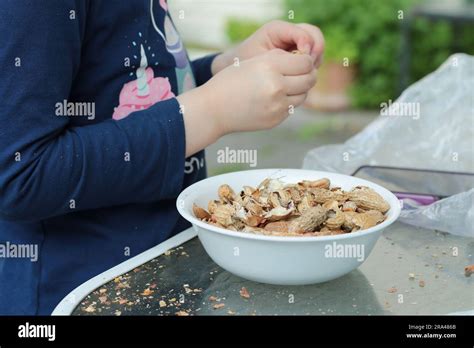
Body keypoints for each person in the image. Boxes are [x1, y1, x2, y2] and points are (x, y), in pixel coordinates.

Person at [0, 0, 324, 314]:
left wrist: (223, 69)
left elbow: (122, 93)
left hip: (164, 269)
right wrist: (210, 110)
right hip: (79, 294)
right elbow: (21, 173)